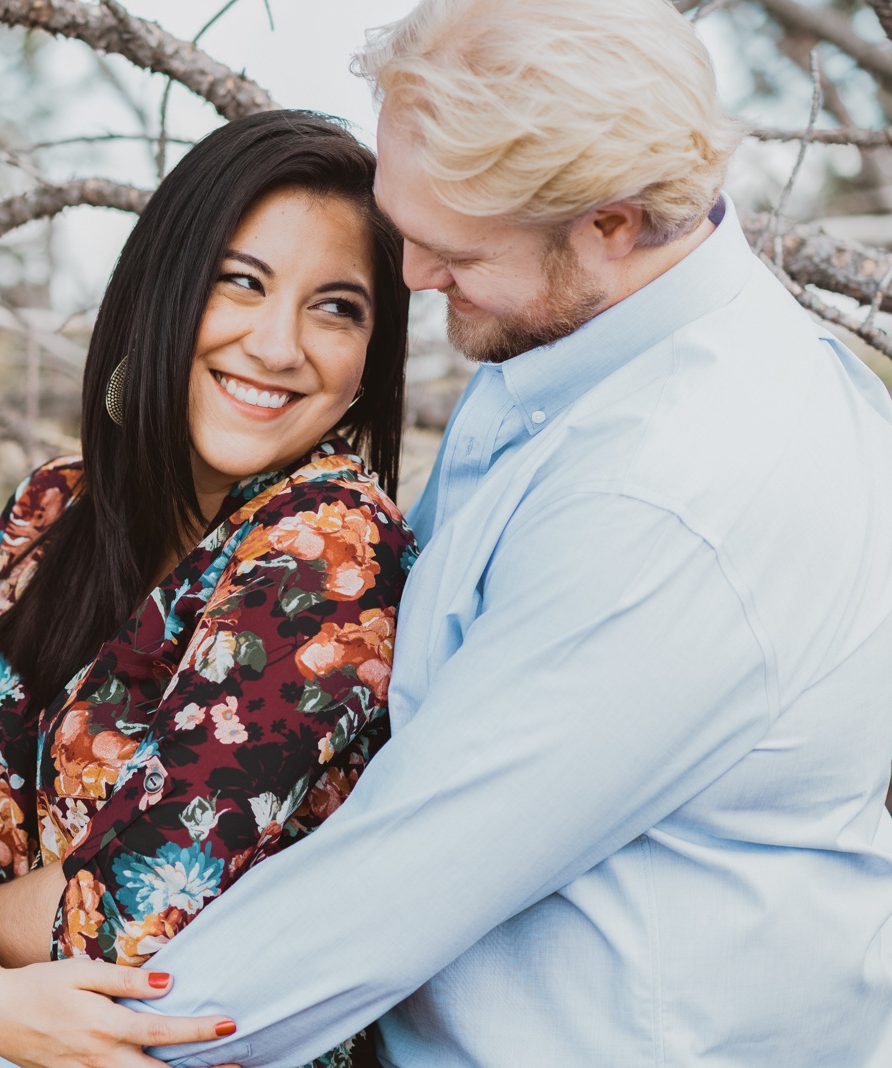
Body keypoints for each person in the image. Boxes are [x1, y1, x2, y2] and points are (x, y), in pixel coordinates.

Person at [53, 1, 890, 1066]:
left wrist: (64, 1044)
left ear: (611, 225)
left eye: (451, 250)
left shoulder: (677, 491)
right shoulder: (567, 343)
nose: (410, 279)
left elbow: (397, 883)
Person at [0, 110, 415, 1068]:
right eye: (241, 281)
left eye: (336, 307)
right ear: (161, 287)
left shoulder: (335, 548)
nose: (278, 346)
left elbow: (132, 913)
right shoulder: (53, 508)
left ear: (370, 358)